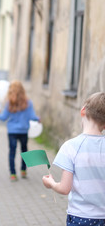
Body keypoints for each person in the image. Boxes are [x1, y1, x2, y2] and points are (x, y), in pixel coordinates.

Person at [42, 92, 105, 226]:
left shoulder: (71, 146)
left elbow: (65, 188)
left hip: (80, 216)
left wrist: (52, 183)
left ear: (83, 111)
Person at [0, 80, 40, 181]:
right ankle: (23, 170)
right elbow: (32, 116)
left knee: (12, 151)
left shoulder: (9, 103)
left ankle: (13, 173)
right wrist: (38, 119)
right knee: (24, 151)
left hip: (12, 132)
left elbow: (3, 118)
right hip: (23, 131)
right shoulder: (28, 103)